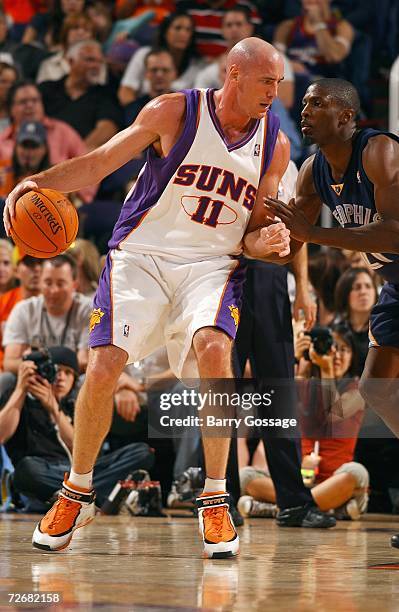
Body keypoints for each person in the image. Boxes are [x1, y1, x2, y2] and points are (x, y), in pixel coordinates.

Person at [4, 37, 292, 559]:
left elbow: (253, 235)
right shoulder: (174, 111)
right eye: (266, 81)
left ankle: (214, 498)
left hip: (212, 265)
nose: (275, 92)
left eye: (277, 81)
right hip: (141, 254)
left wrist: (267, 244)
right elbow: (98, 164)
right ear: (234, 73)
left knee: (214, 349)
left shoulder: (275, 143)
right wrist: (36, 183)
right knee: (107, 359)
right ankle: (78, 489)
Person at [263, 77, 399, 548]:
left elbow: (394, 234)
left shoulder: (378, 153)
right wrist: (246, 240)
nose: (304, 110)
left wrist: (313, 234)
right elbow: (291, 242)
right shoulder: (312, 171)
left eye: (316, 104)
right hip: (395, 286)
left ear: (346, 116)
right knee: (378, 390)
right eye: (303, 103)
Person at [238, 323, 369, 520]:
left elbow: (332, 415)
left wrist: (326, 370)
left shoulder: (358, 389)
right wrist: (295, 360)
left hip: (336, 478)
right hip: (300, 480)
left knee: (357, 472)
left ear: (353, 355)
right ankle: (320, 507)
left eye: (344, 349)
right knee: (245, 476)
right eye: (331, 347)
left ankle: (281, 508)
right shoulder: (306, 383)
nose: (337, 355)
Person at [0, 345, 154, 508]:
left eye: (68, 373)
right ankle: (96, 496)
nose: (61, 377)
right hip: (44, 470)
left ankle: (71, 498)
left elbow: (82, 449)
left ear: (74, 378)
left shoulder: (76, 404)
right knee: (26, 470)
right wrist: (20, 389)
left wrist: (53, 407)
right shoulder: (20, 397)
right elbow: (2, 435)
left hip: (80, 472)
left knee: (143, 452)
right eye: (56, 370)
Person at [39, 40, 121, 150]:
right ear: (71, 61)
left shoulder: (106, 94)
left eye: (99, 62)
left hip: (81, 158)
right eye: (90, 60)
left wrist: (76, 155)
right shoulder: (45, 89)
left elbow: (107, 128)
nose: (96, 66)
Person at [118, 13, 202, 106]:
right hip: (142, 112)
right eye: (178, 28)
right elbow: (125, 92)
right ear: (165, 32)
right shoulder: (143, 54)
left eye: (188, 30)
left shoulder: (198, 65)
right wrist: (137, 113)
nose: (183, 33)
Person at [0, 252, 43, 370]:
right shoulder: (3, 302)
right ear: (16, 271)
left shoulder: (57, 302)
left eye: (41, 263)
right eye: (30, 263)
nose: (37, 269)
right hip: (11, 370)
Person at [334, 266, 378, 375]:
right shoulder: (338, 331)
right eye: (357, 287)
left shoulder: (382, 328)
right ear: (346, 293)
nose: (363, 292)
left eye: (368, 286)